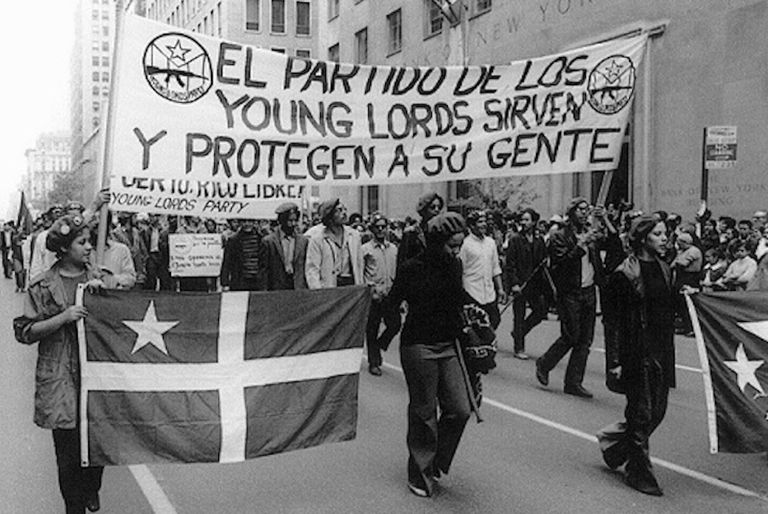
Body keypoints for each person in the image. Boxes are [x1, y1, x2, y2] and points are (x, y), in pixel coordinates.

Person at [13, 214, 107, 512]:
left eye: (89, 241)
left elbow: (130, 305)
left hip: (98, 376)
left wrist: (106, 292)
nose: (89, 247)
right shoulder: (42, 286)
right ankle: (74, 507)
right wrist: (62, 318)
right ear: (64, 249)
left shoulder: (99, 278)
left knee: (97, 446)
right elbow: (25, 332)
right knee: (67, 457)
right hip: (61, 379)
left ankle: (92, 486)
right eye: (82, 242)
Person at [389, 212, 472, 498]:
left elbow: (459, 299)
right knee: (424, 413)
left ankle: (435, 460)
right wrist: (389, 326)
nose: (456, 252)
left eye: (459, 246)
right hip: (419, 347)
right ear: (436, 243)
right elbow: (392, 302)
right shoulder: (411, 268)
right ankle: (419, 473)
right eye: (452, 246)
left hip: (448, 345)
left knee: (460, 409)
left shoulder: (455, 265)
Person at [597, 215, 676, 497]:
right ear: (643, 238)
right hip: (636, 351)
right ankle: (639, 474)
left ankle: (614, 448)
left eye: (665, 233)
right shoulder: (624, 273)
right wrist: (615, 361)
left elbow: (668, 306)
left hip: (661, 350)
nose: (665, 238)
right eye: (658, 233)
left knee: (658, 412)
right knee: (641, 414)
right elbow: (613, 321)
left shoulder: (666, 269)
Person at [536, 198, 606, 399]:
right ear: (571, 212)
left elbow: (610, 242)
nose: (584, 213)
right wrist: (580, 246)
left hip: (589, 290)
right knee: (571, 335)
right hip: (570, 292)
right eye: (580, 210)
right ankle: (545, 363)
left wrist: (603, 220)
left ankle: (574, 382)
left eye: (587, 210)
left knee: (585, 339)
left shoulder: (589, 232)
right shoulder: (560, 236)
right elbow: (560, 263)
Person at [505, 208, 548, 360]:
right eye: (522, 220)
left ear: (534, 221)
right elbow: (510, 264)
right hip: (520, 283)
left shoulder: (539, 239)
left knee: (541, 311)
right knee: (519, 314)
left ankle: (519, 332)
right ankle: (519, 347)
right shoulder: (515, 239)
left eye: (527, 219)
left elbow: (543, 261)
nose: (524, 223)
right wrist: (514, 284)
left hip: (534, 284)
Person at [361, 213, 400, 376]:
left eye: (383, 227)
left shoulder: (393, 249)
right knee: (372, 329)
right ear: (372, 229)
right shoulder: (366, 249)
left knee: (395, 324)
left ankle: (380, 344)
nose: (381, 230)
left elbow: (397, 270)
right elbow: (361, 271)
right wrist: (368, 289)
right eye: (377, 227)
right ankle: (374, 362)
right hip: (374, 295)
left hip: (389, 294)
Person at [459, 210, 507, 329]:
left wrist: (500, 289)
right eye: (480, 222)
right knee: (476, 323)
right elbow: (459, 269)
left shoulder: (490, 243)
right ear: (471, 226)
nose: (484, 224)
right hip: (472, 291)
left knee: (495, 319)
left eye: (485, 222)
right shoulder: (465, 244)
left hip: (489, 292)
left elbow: (495, 267)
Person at [305, 199, 363, 289]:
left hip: (351, 288)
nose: (344, 213)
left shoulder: (354, 235)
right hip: (329, 288)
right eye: (339, 210)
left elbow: (359, 264)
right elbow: (312, 270)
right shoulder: (317, 239)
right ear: (329, 217)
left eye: (344, 209)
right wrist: (318, 292)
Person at [260, 203, 309, 290]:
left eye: (295, 220)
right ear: (282, 221)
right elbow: (264, 271)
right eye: (290, 221)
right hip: (277, 288)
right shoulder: (269, 241)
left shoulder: (303, 241)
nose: (293, 224)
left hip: (297, 287)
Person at [397, 192, 444, 268]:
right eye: (432, 207)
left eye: (439, 207)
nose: (436, 210)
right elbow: (402, 263)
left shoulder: (441, 233)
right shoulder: (411, 233)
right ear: (424, 210)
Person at [221, 218, 265, 291]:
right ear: (240, 223)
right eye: (244, 221)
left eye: (250, 221)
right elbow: (226, 262)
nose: (247, 224)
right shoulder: (233, 240)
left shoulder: (261, 239)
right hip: (240, 281)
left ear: (254, 222)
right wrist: (225, 283)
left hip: (257, 281)